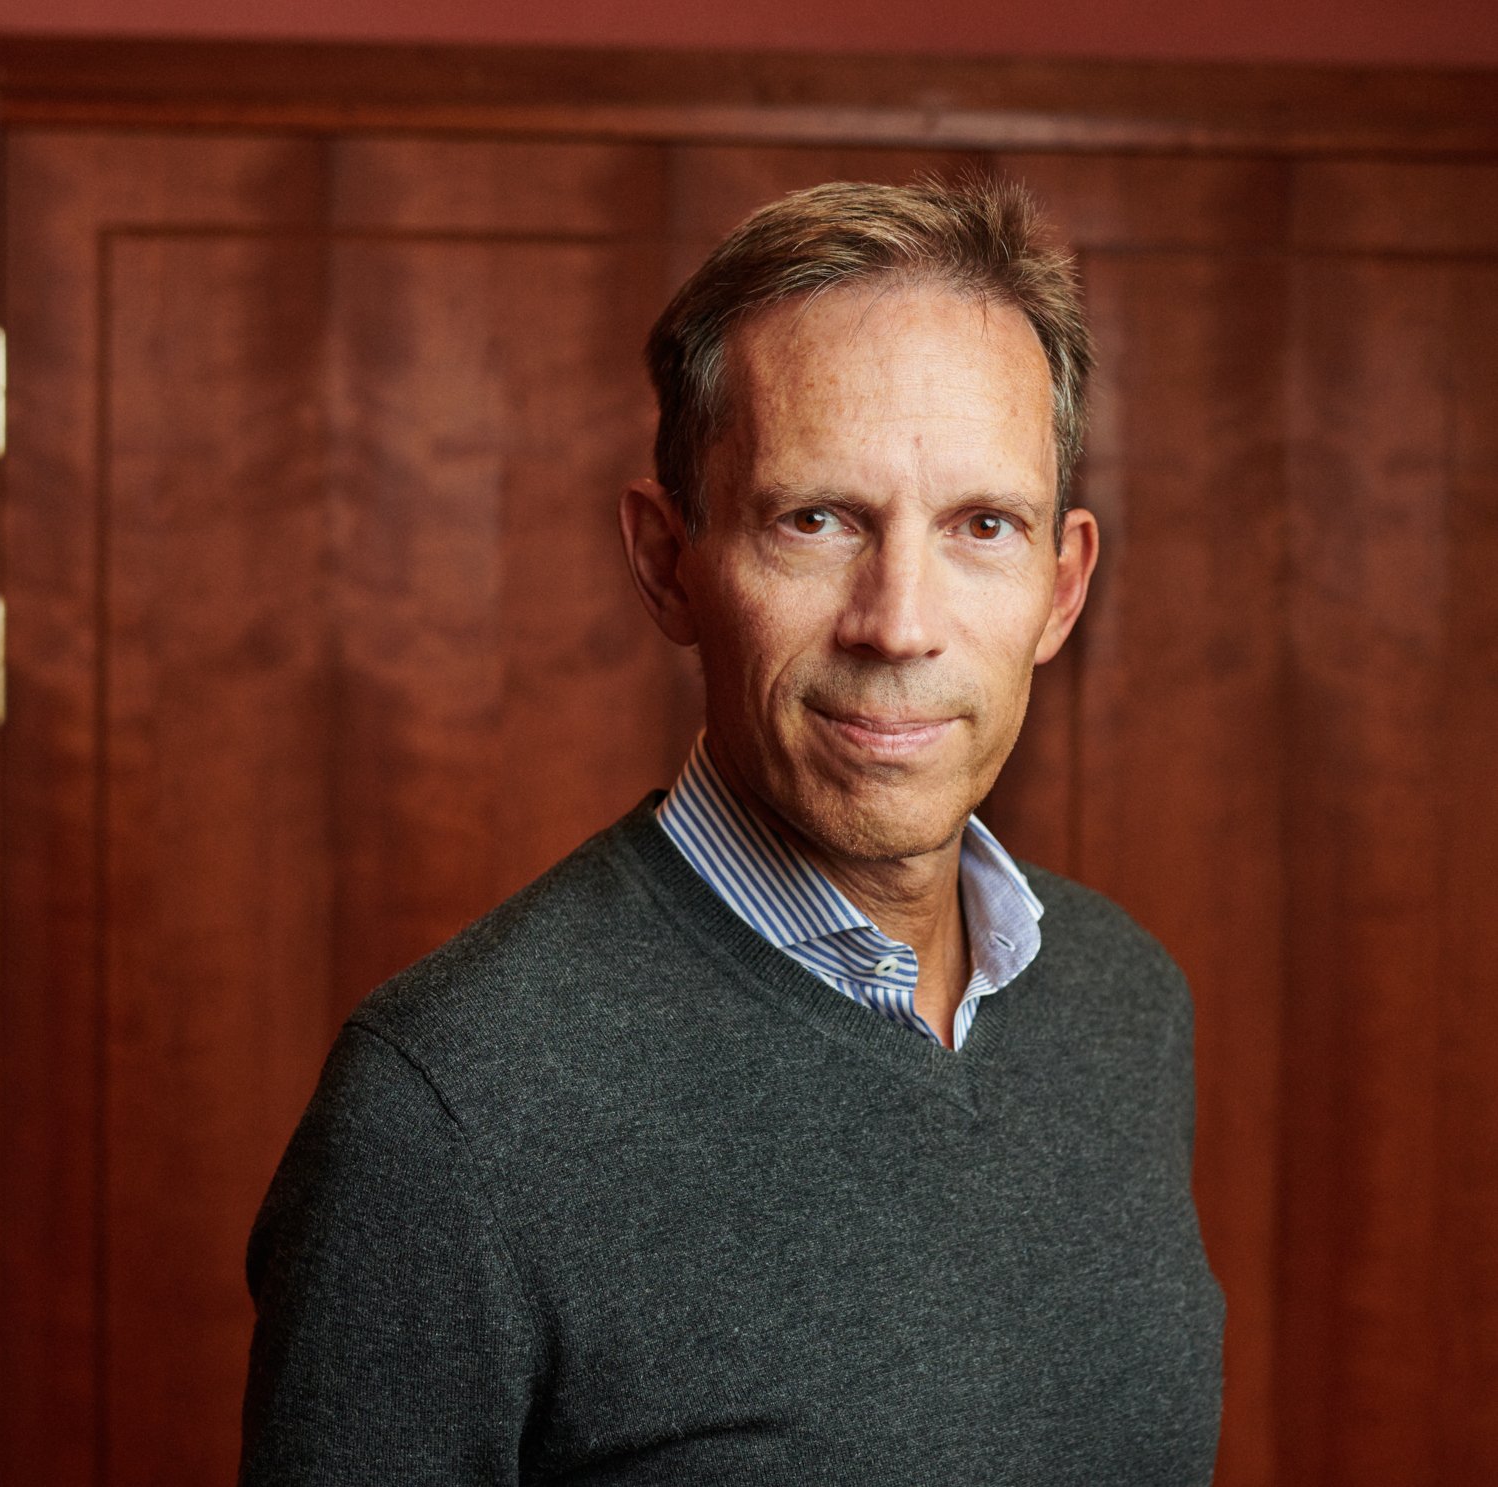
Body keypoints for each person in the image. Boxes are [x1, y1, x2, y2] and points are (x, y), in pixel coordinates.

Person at [240, 178, 1224, 1485]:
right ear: (666, 560)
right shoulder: (449, 1111)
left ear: (1061, 586)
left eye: (983, 527)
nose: (900, 623)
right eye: (816, 520)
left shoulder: (1122, 1000)